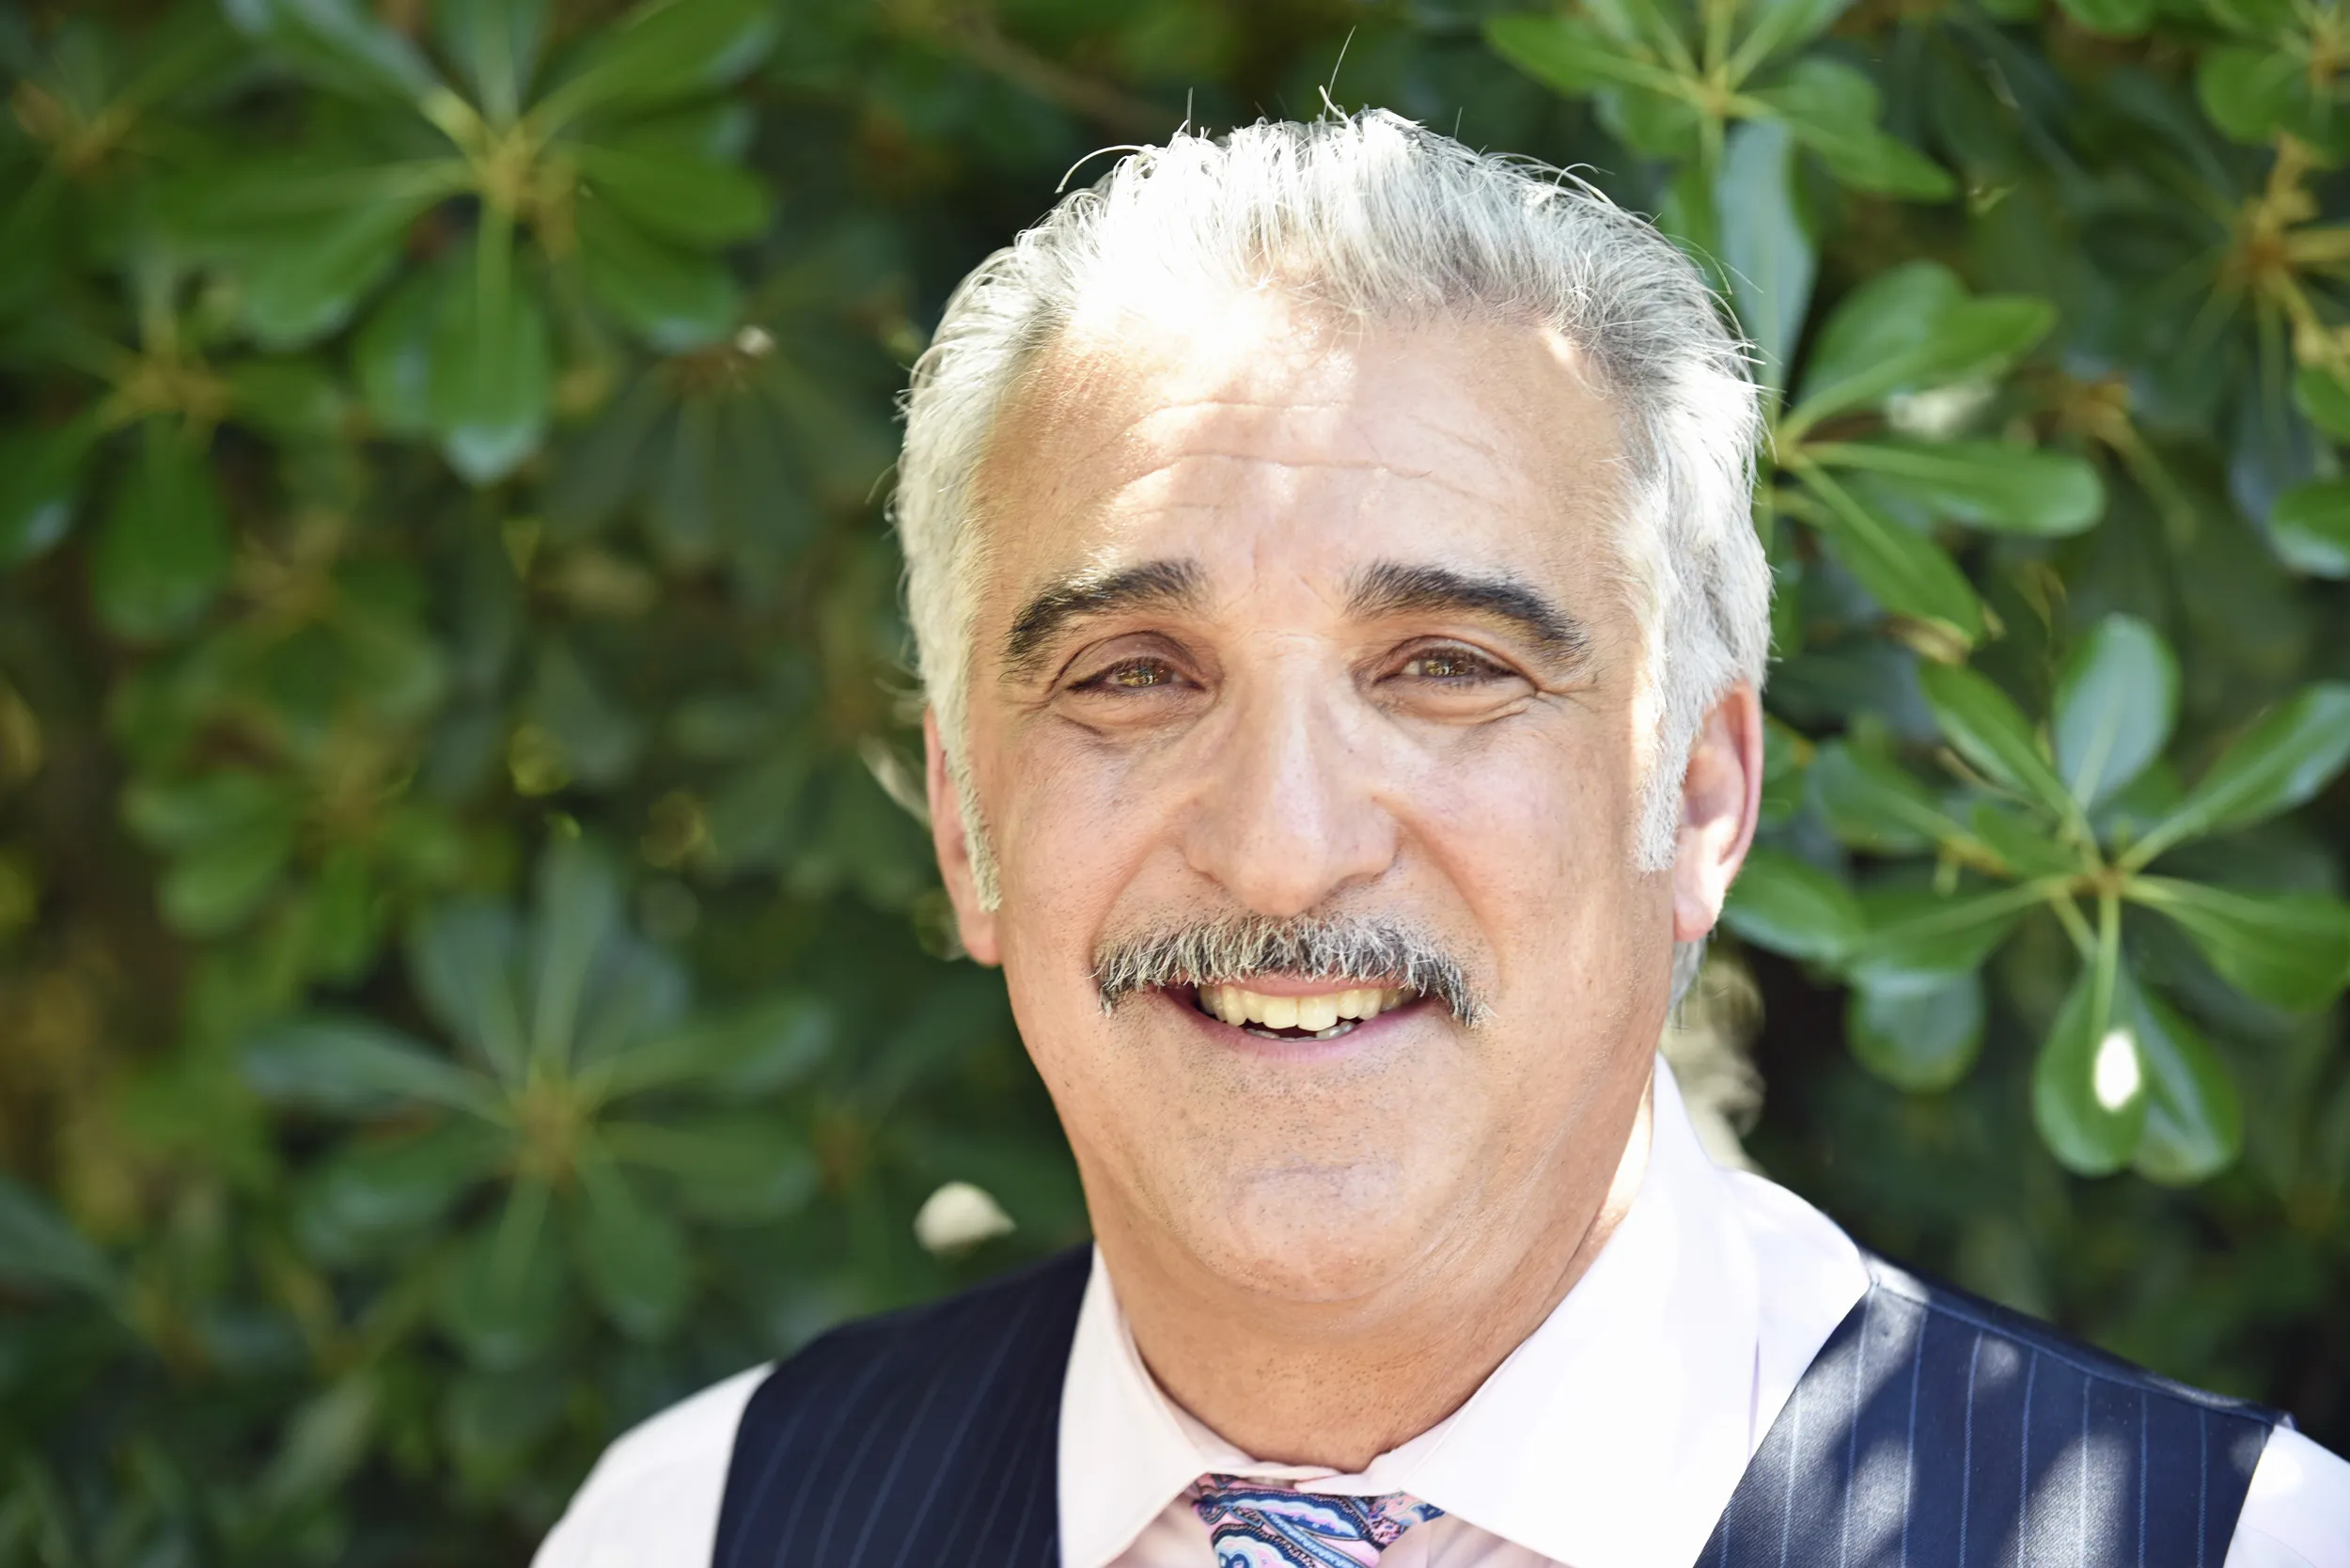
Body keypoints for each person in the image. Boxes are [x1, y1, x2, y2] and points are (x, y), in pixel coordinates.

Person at [533, 112, 2349, 1568]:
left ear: (1698, 799)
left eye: (1450, 667)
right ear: (965, 823)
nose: (1283, 850)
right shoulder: (691, 1531)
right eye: (1135, 675)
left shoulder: (2234, 1549)